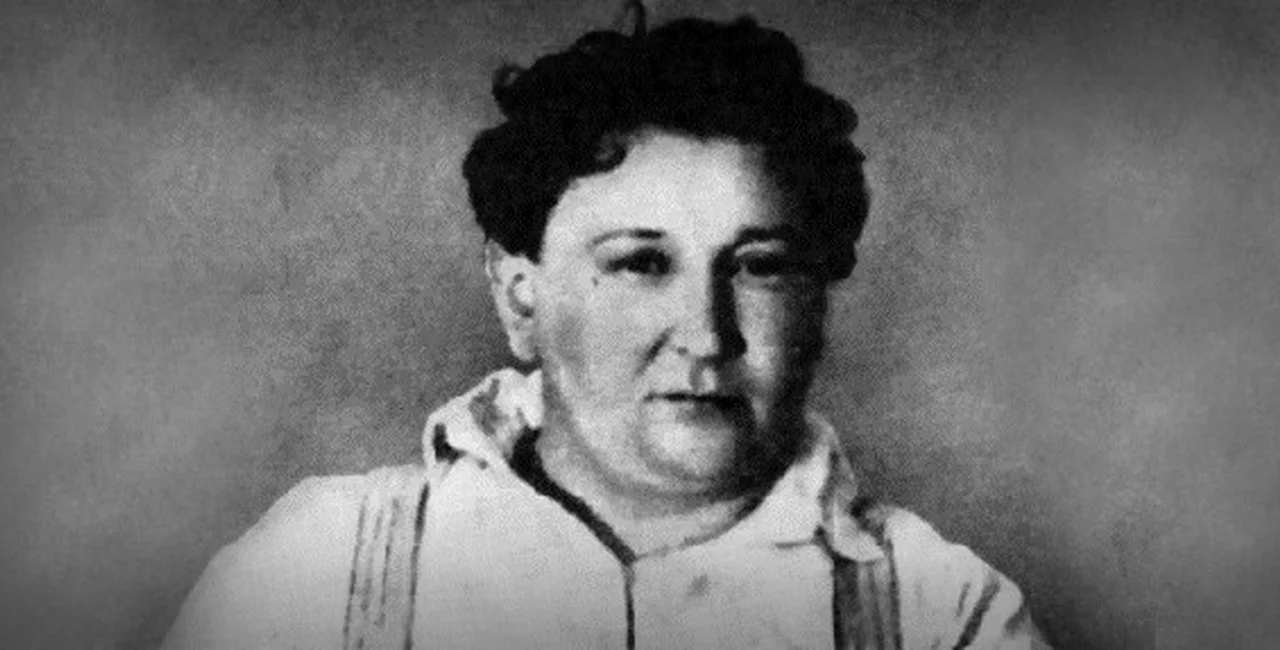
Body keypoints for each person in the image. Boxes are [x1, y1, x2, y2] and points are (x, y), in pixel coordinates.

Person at [162, 11, 1050, 650]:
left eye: (760, 266)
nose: (706, 336)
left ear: (818, 301)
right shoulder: (318, 574)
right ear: (521, 299)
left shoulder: (939, 614)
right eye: (640, 263)